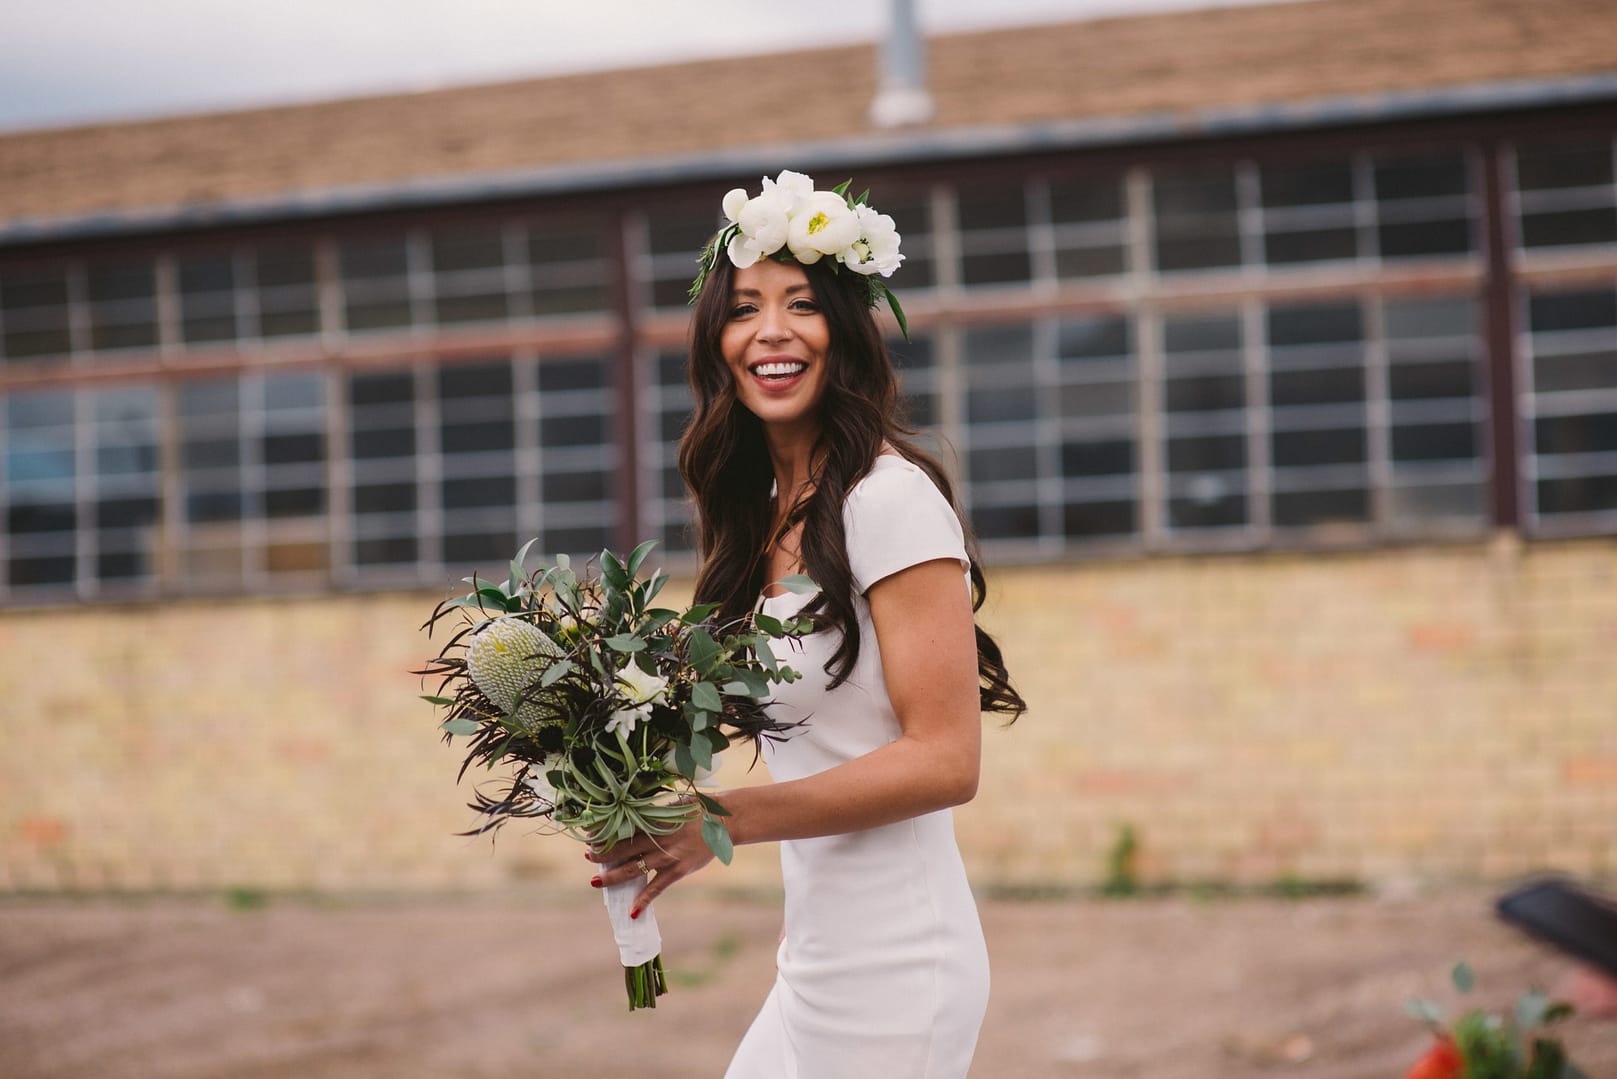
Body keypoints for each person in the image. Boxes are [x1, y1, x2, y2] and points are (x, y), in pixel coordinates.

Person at [585, 170, 1025, 1077]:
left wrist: (719, 818)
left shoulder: (888, 499)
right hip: (818, 958)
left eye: (801, 304)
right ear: (719, 341)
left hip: (900, 964)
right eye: (745, 307)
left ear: (845, 332)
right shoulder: (768, 512)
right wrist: (604, 769)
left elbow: (947, 758)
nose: (771, 329)